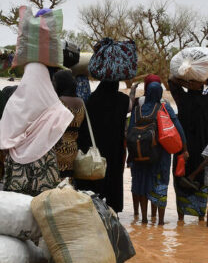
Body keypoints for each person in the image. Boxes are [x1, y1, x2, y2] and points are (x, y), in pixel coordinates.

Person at [0, 63, 73, 196]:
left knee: (17, 207)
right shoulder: (53, 106)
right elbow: (59, 139)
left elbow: (4, 135)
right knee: (41, 207)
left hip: (16, 166)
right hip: (44, 163)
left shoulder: (13, 104)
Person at [129, 82, 187, 225]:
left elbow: (129, 132)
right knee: (160, 185)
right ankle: (160, 220)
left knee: (142, 185)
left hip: (139, 155)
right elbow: (177, 126)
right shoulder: (164, 107)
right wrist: (184, 148)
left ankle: (143, 219)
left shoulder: (138, 109)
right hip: (160, 155)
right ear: (160, 94)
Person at [169, 76, 208, 221]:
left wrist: (187, 83)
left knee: (181, 177)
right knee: (201, 180)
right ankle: (200, 217)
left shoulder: (182, 99)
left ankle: (181, 218)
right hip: (203, 150)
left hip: (183, 149)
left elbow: (171, 81)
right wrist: (202, 82)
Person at [77, 80, 129, 213]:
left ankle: (94, 210)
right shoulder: (123, 100)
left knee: (95, 180)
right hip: (115, 149)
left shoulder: (92, 99)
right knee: (114, 178)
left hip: (96, 148)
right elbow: (129, 108)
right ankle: (113, 211)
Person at [53, 70, 85, 179]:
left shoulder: (58, 102)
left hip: (58, 147)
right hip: (73, 147)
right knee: (68, 180)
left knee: (57, 180)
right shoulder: (81, 102)